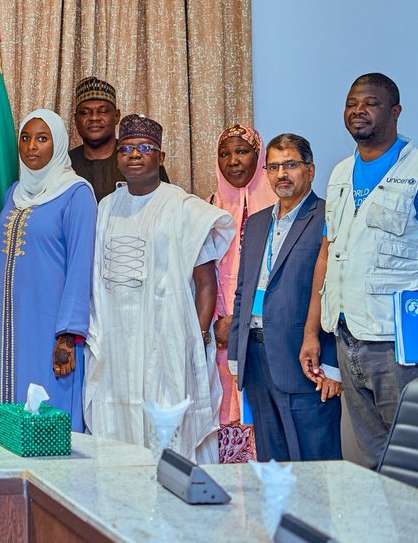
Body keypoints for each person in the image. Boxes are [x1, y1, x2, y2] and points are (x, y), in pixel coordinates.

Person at [84, 114, 234, 463]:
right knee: (119, 422)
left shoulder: (182, 206)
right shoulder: (107, 207)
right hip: (117, 343)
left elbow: (205, 280)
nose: (134, 155)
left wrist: (196, 334)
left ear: (160, 157)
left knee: (167, 424)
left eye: (144, 148)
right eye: (126, 149)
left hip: (166, 339)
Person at [301, 73, 418, 469]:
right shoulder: (338, 174)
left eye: (371, 103)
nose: (358, 111)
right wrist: (312, 331)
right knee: (373, 459)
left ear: (395, 111)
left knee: (410, 457)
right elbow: (326, 255)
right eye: (352, 103)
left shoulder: (415, 169)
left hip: (398, 346)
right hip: (348, 336)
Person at [229, 134, 341, 462]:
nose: (282, 174)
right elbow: (243, 291)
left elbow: (336, 292)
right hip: (256, 356)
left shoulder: (327, 217)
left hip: (307, 360)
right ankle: (278, 516)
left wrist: (333, 366)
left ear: (310, 170)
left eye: (291, 164)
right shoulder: (258, 221)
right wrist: (237, 354)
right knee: (272, 463)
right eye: (274, 166)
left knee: (316, 464)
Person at [0, 110, 95, 430]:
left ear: (58, 145)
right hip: (11, 328)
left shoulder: (77, 194)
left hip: (53, 331)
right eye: (25, 138)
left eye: (42, 138)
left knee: (51, 412)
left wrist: (67, 336)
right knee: (11, 412)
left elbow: (81, 268)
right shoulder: (14, 193)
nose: (31, 147)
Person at [209, 124, 278, 462]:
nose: (233, 161)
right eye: (225, 153)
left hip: (263, 335)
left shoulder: (280, 208)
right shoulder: (209, 206)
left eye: (242, 151)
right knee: (224, 416)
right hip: (219, 336)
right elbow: (205, 272)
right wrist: (219, 321)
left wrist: (241, 321)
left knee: (264, 424)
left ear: (259, 156)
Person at [68, 77, 169, 201]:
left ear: (117, 116)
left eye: (103, 111)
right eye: (85, 113)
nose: (94, 118)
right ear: (75, 119)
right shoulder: (64, 164)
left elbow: (164, 205)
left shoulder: (138, 159)